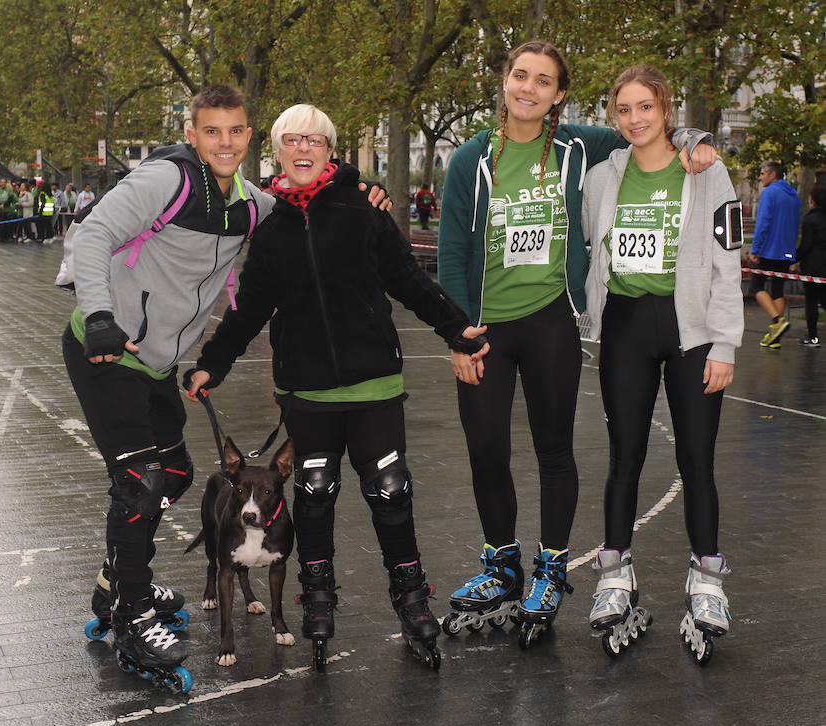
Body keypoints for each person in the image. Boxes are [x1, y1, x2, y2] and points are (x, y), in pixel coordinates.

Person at [62, 85, 390, 678]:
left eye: (236, 131)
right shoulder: (168, 181)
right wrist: (102, 318)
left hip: (157, 361)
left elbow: (304, 200)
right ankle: (134, 606)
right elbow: (94, 235)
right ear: (193, 135)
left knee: (179, 474)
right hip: (109, 349)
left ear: (248, 135)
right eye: (211, 131)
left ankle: (119, 572)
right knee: (140, 480)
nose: (224, 142)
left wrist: (360, 186)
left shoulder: (248, 202)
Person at [184, 103, 487, 670]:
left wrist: (457, 329)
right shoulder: (268, 224)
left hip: (374, 386)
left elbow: (408, 280)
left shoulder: (363, 207)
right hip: (308, 394)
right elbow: (248, 311)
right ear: (276, 150)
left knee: (391, 494)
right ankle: (317, 601)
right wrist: (212, 365)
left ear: (330, 150)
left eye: (315, 141)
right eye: (292, 140)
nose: (303, 150)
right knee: (314, 498)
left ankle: (413, 601)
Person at [437, 40, 716, 636]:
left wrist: (696, 141)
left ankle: (551, 564)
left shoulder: (581, 146)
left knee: (554, 450)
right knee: (486, 450)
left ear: (559, 94)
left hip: (550, 321)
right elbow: (454, 251)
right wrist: (458, 335)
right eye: (520, 75)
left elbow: (650, 132)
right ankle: (501, 563)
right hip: (485, 327)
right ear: (505, 82)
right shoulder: (468, 161)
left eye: (543, 80)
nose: (529, 88)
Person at [582, 65, 743, 656]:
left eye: (645, 107)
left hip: (692, 332)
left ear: (666, 109)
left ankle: (706, 576)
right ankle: (614, 572)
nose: (635, 119)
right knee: (624, 455)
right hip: (624, 327)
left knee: (696, 458)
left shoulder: (705, 169)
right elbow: (591, 245)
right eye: (624, 109)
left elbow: (728, 262)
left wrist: (724, 343)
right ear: (614, 116)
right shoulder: (603, 177)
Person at [750, 161, 801, 348]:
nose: (760, 177)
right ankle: (775, 336)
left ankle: (777, 321)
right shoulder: (794, 195)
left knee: (755, 287)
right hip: (786, 252)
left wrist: (755, 249)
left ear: (773, 175)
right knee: (778, 289)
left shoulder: (769, 192)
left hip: (768, 250)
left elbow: (763, 223)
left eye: (763, 173)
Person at [794, 186, 826, 346]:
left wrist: (793, 258)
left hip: (813, 267)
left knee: (811, 301)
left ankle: (813, 337)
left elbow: (806, 245)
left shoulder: (809, 220)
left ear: (813, 201)